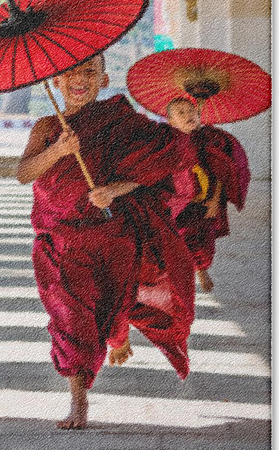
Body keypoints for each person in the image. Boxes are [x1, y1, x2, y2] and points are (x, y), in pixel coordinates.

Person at [16, 56, 195, 429]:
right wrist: (58, 151)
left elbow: (160, 162)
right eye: (70, 72)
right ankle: (78, 402)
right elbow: (24, 173)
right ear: (57, 82)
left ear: (104, 79)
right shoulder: (47, 127)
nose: (79, 80)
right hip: (60, 237)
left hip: (113, 234)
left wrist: (116, 189)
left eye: (88, 72)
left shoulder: (123, 121)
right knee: (70, 316)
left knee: (111, 307)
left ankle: (117, 333)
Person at [166, 95, 251, 292]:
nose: (188, 115)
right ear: (171, 122)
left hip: (205, 202)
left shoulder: (210, 139)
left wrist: (215, 199)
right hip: (180, 204)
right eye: (181, 113)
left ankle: (201, 270)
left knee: (204, 243)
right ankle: (180, 278)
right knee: (180, 240)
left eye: (191, 111)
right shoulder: (170, 142)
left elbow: (221, 170)